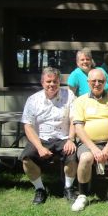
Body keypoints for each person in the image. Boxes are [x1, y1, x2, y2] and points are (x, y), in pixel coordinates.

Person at [19, 67, 77, 205]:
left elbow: (75, 120)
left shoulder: (69, 95)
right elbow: (28, 126)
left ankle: (68, 188)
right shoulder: (33, 100)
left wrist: (70, 139)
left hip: (63, 138)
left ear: (59, 82)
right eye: (48, 81)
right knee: (26, 159)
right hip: (41, 139)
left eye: (55, 81)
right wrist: (39, 147)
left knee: (72, 155)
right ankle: (40, 189)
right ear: (42, 82)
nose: (52, 84)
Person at [70, 68, 108, 211]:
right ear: (88, 82)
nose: (97, 84)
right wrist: (94, 149)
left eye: (100, 81)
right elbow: (79, 128)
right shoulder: (80, 101)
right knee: (86, 158)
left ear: (105, 82)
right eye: (93, 81)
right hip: (88, 143)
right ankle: (82, 195)